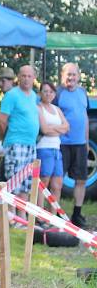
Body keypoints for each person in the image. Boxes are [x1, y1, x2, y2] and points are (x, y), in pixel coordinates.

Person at [0, 65, 39, 225]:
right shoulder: (12, 95)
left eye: (29, 76)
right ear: (18, 78)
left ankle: (22, 218)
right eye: (23, 76)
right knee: (14, 182)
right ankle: (11, 218)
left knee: (26, 184)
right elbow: (1, 120)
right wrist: (7, 138)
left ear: (34, 78)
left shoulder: (34, 95)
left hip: (30, 145)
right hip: (16, 144)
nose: (26, 79)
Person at [54, 63, 89, 228]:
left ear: (78, 76)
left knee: (81, 180)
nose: (71, 78)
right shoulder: (58, 93)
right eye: (68, 75)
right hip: (62, 144)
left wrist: (87, 141)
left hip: (80, 144)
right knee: (58, 181)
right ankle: (57, 214)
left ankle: (77, 214)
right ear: (63, 76)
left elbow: (85, 117)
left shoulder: (82, 92)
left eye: (74, 75)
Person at [36, 81, 69, 203]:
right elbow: (44, 129)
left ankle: (52, 217)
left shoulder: (57, 109)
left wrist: (53, 129)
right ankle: (39, 215)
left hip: (56, 150)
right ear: (40, 93)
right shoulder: (38, 108)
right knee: (43, 182)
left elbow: (67, 127)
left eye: (51, 92)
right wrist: (59, 129)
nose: (48, 94)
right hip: (44, 149)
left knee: (57, 184)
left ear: (54, 94)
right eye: (45, 91)